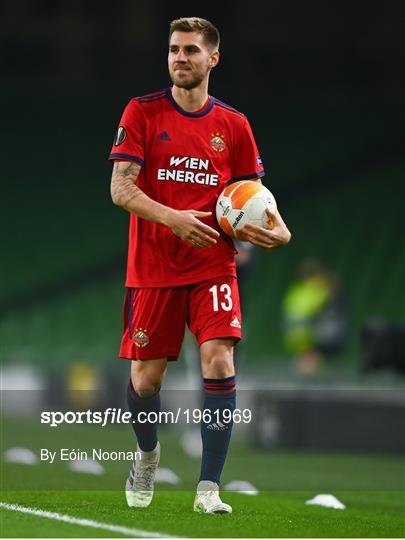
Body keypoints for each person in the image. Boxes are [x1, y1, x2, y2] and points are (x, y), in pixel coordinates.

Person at [109, 17, 291, 514]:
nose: (179, 58)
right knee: (146, 382)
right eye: (173, 49)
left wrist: (281, 232)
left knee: (219, 361)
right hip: (152, 268)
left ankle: (208, 488)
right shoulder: (142, 112)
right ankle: (147, 456)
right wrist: (174, 221)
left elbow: (256, 200)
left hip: (213, 265)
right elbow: (120, 188)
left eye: (190, 50)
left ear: (213, 58)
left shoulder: (234, 125)